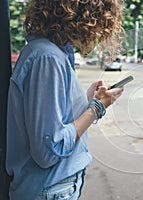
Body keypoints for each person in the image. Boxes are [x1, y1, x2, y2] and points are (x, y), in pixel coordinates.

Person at [6, 0, 124, 199]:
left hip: (53, 187)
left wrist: (86, 100)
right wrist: (97, 107)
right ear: (82, 17)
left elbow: (54, 118)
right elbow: (49, 150)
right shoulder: (47, 58)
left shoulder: (51, 52)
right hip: (50, 189)